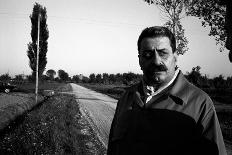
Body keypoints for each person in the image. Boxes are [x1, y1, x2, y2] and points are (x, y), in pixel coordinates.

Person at [107, 26, 227, 155]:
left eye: (163, 53)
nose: (156, 61)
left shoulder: (199, 103)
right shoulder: (127, 98)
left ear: (175, 57)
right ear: (139, 59)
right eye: (148, 54)